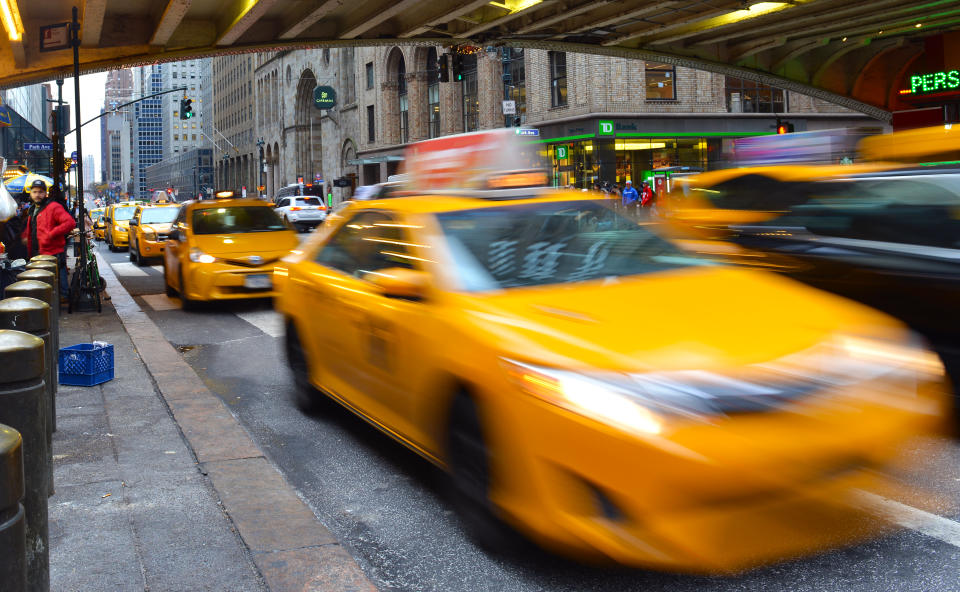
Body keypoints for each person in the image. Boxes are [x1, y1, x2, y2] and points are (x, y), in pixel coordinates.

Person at [21, 179, 75, 300]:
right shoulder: (33, 209)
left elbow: (70, 222)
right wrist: (26, 236)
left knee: (57, 280)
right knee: (44, 283)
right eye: (34, 192)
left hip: (53, 252)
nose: (37, 194)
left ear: (45, 193)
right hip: (37, 252)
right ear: (30, 193)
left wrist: (51, 234)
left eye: (40, 192)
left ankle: (62, 299)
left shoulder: (53, 207)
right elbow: (34, 227)